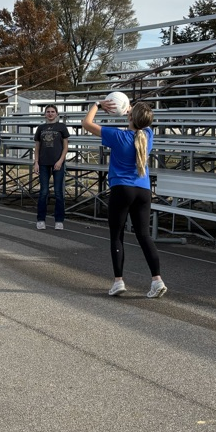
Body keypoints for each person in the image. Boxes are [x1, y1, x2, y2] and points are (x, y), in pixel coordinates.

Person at [82, 98, 167, 298]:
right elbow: (138, 122)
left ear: (129, 116)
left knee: (117, 235)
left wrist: (98, 104)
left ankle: (118, 281)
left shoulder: (117, 136)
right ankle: (157, 280)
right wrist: (131, 110)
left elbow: (86, 123)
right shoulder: (148, 134)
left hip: (122, 188)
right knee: (144, 236)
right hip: (143, 189)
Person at [34, 104, 70, 230]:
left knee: (58, 192)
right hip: (43, 163)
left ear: (56, 113)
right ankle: (40, 219)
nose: (50, 113)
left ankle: (59, 220)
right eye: (48, 111)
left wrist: (60, 161)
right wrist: (36, 162)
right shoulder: (40, 128)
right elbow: (37, 146)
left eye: (52, 111)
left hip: (58, 163)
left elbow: (65, 147)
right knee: (43, 192)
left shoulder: (62, 127)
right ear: (45, 114)